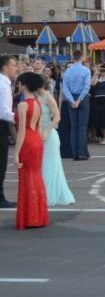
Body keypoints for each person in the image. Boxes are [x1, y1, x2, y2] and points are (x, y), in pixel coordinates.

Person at [14, 72, 49, 230]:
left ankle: (30, 217)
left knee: (27, 177)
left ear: (24, 85)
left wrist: (15, 153)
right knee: (36, 176)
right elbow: (39, 128)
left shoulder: (23, 105)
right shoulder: (38, 103)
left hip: (27, 141)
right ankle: (38, 216)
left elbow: (21, 132)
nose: (18, 86)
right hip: (36, 141)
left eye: (19, 84)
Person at [38, 78, 74, 206]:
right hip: (37, 133)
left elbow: (57, 117)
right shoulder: (36, 97)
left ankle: (50, 194)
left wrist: (47, 131)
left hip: (49, 134)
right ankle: (41, 193)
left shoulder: (49, 97)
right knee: (41, 165)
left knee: (50, 165)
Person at [62, 50, 91, 161]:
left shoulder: (67, 72)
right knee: (82, 126)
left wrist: (72, 100)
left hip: (72, 98)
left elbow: (65, 88)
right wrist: (79, 100)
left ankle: (75, 153)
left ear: (73, 57)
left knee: (74, 126)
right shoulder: (86, 70)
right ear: (82, 57)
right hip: (82, 98)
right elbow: (86, 87)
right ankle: (82, 153)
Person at [0, 56, 18, 208]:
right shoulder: (4, 85)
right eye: (13, 65)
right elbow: (4, 112)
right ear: (5, 67)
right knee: (1, 163)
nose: (16, 68)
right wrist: (22, 117)